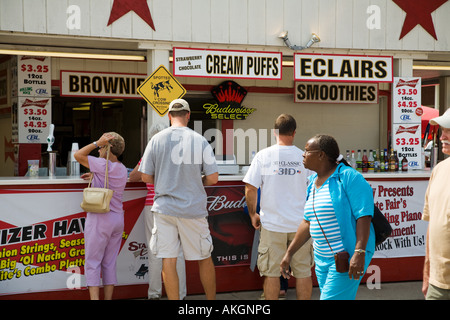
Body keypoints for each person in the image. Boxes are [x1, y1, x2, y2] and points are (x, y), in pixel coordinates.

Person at [138, 99, 218, 300]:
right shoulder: (199, 140)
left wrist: (165, 179)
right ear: (188, 115)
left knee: (169, 260)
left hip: (164, 209)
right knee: (204, 258)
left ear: (168, 116)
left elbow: (145, 176)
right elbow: (213, 178)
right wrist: (196, 179)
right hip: (193, 209)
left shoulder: (156, 140)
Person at [280, 134, 375, 300]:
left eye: (307, 151)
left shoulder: (348, 177)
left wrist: (359, 252)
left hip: (346, 257)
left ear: (321, 155)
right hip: (322, 260)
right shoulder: (313, 183)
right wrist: (289, 253)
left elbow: (364, 216)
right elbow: (307, 222)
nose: (303, 154)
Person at [243, 114, 314, 300]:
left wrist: (253, 215)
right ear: (294, 132)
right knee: (303, 272)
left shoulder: (263, 156)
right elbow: (316, 188)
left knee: (271, 273)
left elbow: (250, 188)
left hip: (272, 225)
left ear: (274, 132)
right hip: (301, 226)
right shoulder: (305, 157)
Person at [129, 123, 187, 300]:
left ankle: (154, 293)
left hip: (154, 205)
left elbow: (133, 177)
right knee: (177, 251)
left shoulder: (151, 152)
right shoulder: (180, 153)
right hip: (178, 205)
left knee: (155, 250)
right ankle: (180, 294)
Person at [74, 132, 128, 300]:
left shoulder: (101, 164)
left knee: (92, 262)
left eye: (101, 148)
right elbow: (109, 178)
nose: (98, 151)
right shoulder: (122, 169)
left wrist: (96, 142)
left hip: (100, 219)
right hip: (117, 219)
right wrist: (94, 175)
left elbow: (78, 155)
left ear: (108, 148)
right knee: (109, 262)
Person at [422, 108, 450, 300]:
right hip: (437, 283)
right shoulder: (439, 170)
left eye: (448, 130)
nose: (442, 136)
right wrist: (426, 272)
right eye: (442, 130)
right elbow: (432, 225)